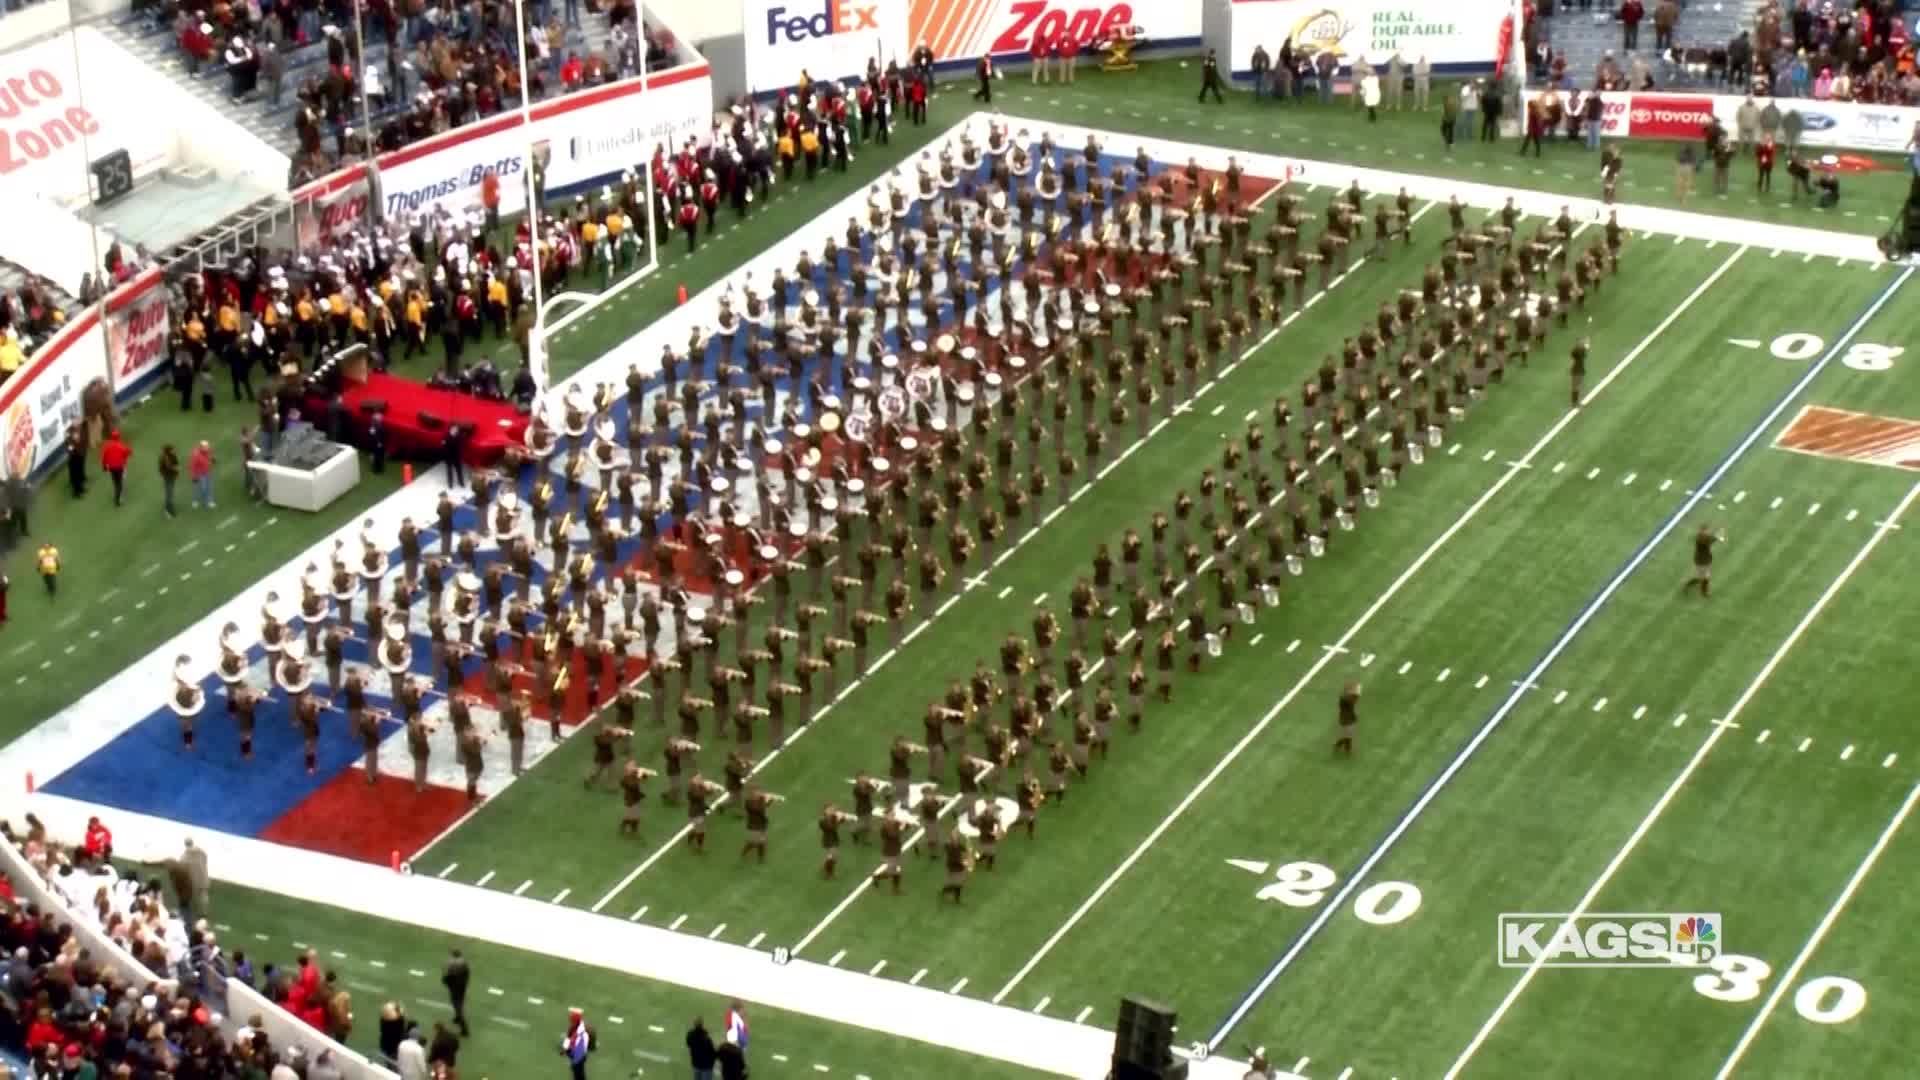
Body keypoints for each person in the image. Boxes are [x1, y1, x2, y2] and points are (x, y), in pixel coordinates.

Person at [1683, 525, 1723, 597]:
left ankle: (1697, 588)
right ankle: (1703, 592)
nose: (1707, 532)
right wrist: (1718, 538)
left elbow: (1710, 539)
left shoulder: (1703, 537)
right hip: (1701, 561)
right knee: (1704, 577)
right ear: (1702, 531)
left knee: (1703, 577)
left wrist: (1717, 537)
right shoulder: (1700, 539)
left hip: (1705, 560)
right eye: (1705, 531)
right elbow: (1709, 541)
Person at [441, 949, 471, 1035]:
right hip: (462, 987)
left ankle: (464, 1029)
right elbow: (467, 975)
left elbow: (448, 976)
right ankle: (457, 1018)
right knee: (460, 1003)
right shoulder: (464, 963)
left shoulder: (452, 964)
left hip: (455, 988)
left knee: (457, 1006)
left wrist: (445, 980)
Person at [100, 429, 132, 507]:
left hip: (111, 468)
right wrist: (128, 447)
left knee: (115, 481)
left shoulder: (108, 446)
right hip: (119, 467)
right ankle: (117, 498)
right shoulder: (120, 446)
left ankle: (117, 493)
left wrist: (104, 466)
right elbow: (128, 452)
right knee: (120, 483)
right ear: (118, 437)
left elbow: (104, 457)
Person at [561, 1007, 592, 1079]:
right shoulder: (578, 1027)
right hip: (578, 1055)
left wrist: (565, 1050)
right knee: (579, 1074)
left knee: (578, 1074)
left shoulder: (577, 1029)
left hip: (578, 1055)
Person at [1334, 681, 1360, 756]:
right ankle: (1344, 748)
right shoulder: (1345, 699)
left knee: (1348, 735)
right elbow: (1352, 702)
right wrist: (1356, 694)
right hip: (1346, 719)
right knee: (1348, 735)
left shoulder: (1346, 698)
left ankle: (1342, 747)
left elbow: (1353, 702)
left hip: (1349, 718)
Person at [189, 440, 216, 508]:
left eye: (207, 447)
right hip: (200, 474)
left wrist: (212, 459)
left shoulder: (208, 451)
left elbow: (210, 456)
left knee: (209, 487)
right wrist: (193, 476)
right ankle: (195, 500)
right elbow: (192, 466)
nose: (207, 448)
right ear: (201, 447)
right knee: (200, 488)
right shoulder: (196, 455)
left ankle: (209, 501)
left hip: (207, 472)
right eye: (206, 447)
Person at [159, 444, 181, 517]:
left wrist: (177, 473)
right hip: (167, 477)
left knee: (170, 494)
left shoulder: (173, 456)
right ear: (169, 451)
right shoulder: (164, 458)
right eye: (172, 450)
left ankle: (169, 509)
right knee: (169, 494)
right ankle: (168, 510)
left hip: (172, 477)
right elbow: (166, 468)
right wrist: (175, 469)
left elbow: (176, 464)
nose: (174, 451)